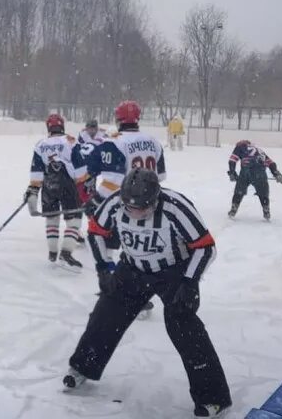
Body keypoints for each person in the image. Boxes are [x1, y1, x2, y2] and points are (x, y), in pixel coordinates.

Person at [63, 169, 232, 418]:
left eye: (142, 208)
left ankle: (213, 397)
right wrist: (103, 268)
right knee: (106, 314)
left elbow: (205, 247)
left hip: (173, 272)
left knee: (183, 326)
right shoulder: (114, 202)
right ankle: (82, 367)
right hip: (132, 268)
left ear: (155, 199)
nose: (135, 213)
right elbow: (96, 231)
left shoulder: (176, 207)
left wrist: (190, 282)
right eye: (130, 208)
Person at [83, 101, 167, 315]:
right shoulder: (153, 142)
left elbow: (112, 181)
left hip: (123, 204)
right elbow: (161, 177)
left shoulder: (115, 142)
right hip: (150, 204)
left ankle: (117, 289)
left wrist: (95, 201)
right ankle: (138, 293)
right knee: (138, 249)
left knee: (106, 241)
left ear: (118, 119)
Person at [24, 113, 86, 269]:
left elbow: (36, 172)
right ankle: (66, 252)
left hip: (48, 184)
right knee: (74, 219)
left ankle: (52, 252)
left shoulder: (40, 144)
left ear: (48, 127)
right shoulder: (70, 141)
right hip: (67, 184)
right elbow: (80, 172)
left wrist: (33, 190)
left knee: (51, 217)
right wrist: (82, 181)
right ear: (62, 126)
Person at [227, 140, 282, 220]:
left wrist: (232, 172)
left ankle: (234, 208)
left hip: (246, 170)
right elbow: (270, 163)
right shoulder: (259, 150)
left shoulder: (240, 147)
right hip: (260, 172)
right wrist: (276, 173)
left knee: (239, 190)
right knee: (263, 192)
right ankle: (266, 208)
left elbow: (232, 160)